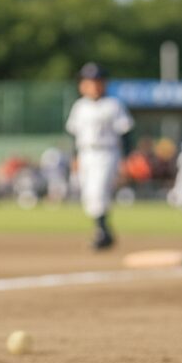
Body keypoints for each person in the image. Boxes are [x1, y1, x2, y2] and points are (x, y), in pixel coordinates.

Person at [65, 62, 134, 249]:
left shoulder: (113, 105)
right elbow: (73, 135)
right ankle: (104, 231)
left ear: (104, 83)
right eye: (88, 81)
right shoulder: (79, 106)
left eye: (96, 81)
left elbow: (126, 133)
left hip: (107, 153)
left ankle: (103, 232)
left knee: (98, 191)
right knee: (88, 194)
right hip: (86, 153)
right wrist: (75, 158)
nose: (92, 85)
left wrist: (126, 159)